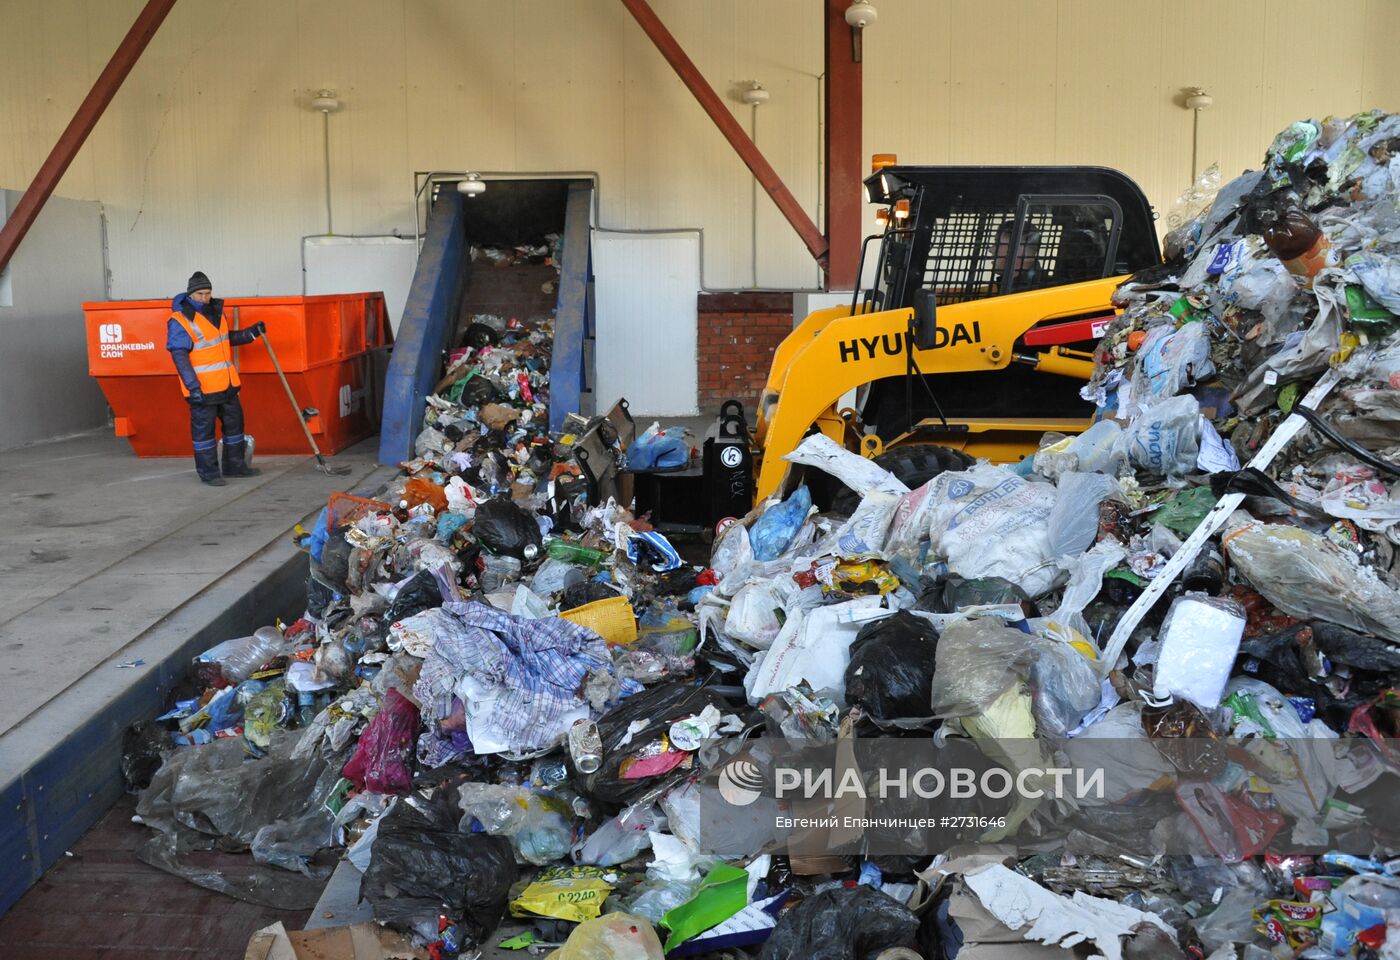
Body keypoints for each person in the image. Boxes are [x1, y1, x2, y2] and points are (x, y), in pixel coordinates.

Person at [166, 271, 265, 486]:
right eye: (200, 293)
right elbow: (179, 356)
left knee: (234, 427)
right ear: (191, 294)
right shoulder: (180, 320)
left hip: (227, 385)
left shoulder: (217, 313)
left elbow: (222, 340)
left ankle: (234, 466)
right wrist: (193, 387)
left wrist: (250, 334)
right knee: (204, 433)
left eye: (208, 293)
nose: (205, 297)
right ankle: (209, 473)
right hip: (202, 389)